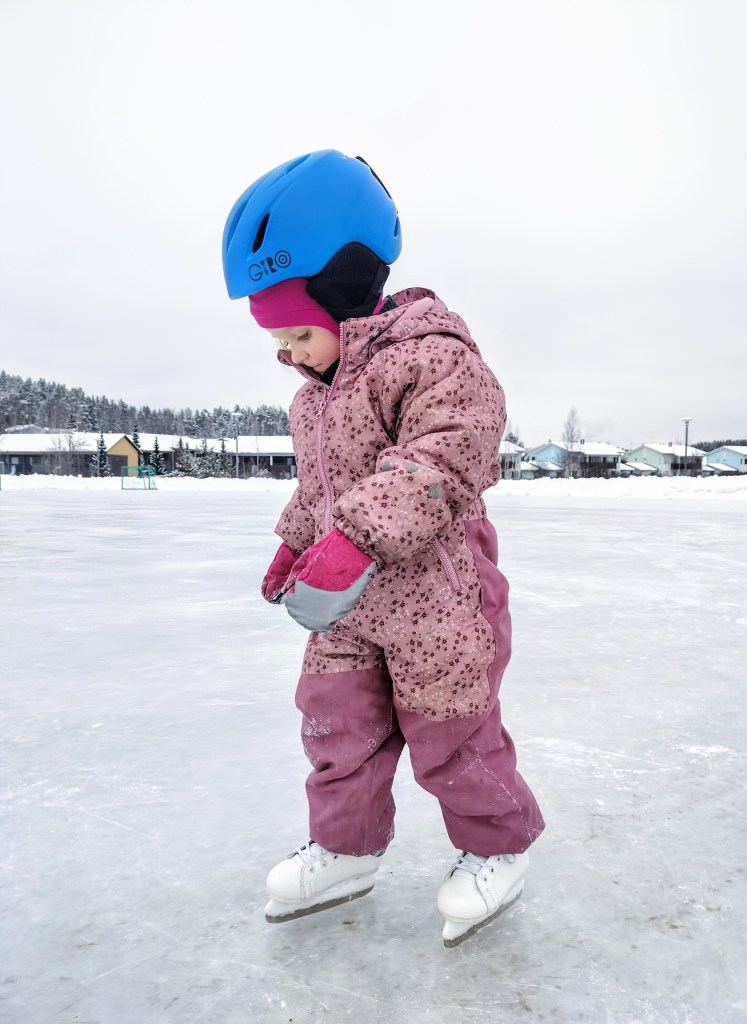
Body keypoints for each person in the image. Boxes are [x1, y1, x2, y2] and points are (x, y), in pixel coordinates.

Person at [222, 149, 545, 947]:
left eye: (298, 332)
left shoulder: (435, 359)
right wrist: (295, 545)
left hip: (439, 598)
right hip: (348, 604)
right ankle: (345, 849)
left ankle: (497, 850)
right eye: (276, 338)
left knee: (451, 733)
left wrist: (354, 539)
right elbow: (318, 492)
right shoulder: (311, 402)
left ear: (344, 291)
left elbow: (439, 460)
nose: (286, 354)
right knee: (336, 729)